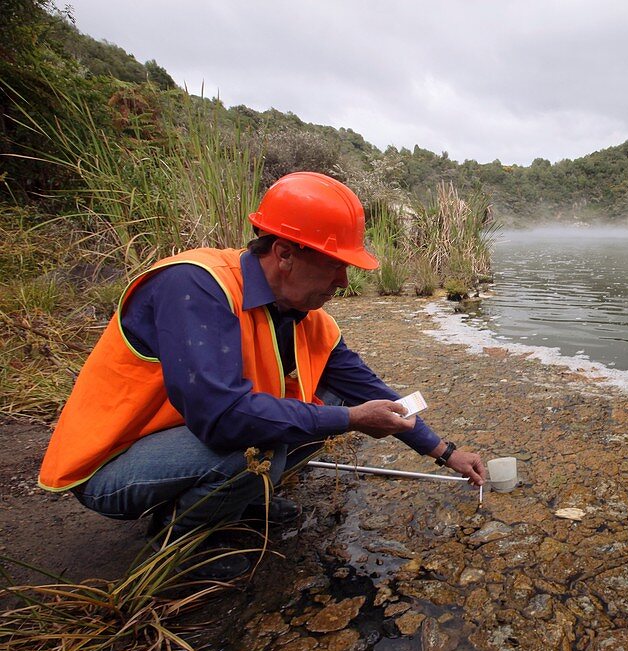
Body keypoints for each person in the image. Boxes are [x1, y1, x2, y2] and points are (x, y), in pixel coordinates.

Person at [38, 171, 486, 579]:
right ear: (285, 253)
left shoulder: (304, 314)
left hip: (185, 438)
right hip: (112, 466)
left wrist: (445, 451)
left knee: (324, 405)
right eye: (335, 265)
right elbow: (224, 419)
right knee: (261, 445)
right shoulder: (196, 286)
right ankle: (177, 543)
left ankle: (242, 502)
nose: (344, 282)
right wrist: (351, 420)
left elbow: (373, 392)